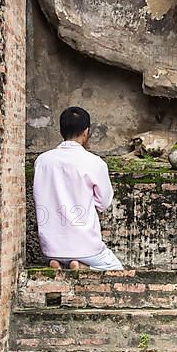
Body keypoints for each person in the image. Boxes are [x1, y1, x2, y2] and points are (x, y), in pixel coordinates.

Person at [33, 107, 123, 271]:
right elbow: (104, 203)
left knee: (57, 255)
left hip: (51, 248)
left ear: (61, 131)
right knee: (116, 270)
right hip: (85, 248)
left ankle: (57, 262)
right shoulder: (94, 163)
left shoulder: (42, 161)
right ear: (86, 132)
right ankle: (82, 267)